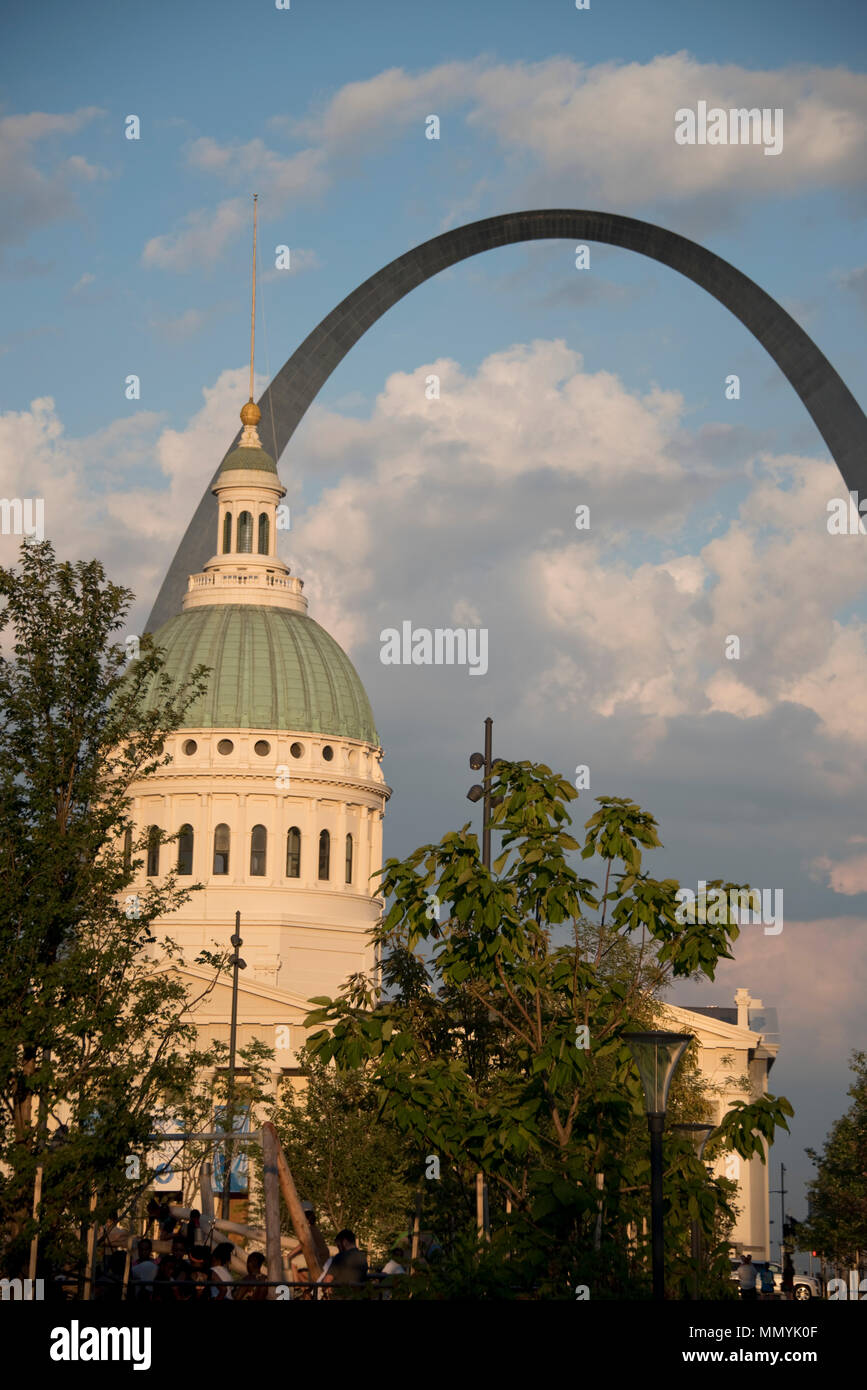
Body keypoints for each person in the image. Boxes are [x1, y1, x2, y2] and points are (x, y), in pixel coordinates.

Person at [324, 1230, 368, 1295]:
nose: (338, 1248)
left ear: (344, 1242)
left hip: (339, 1295)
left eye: (338, 1245)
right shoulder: (363, 1257)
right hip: (357, 1296)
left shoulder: (340, 1257)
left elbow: (327, 1280)